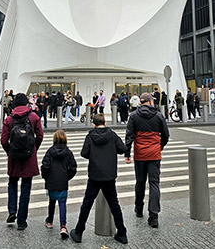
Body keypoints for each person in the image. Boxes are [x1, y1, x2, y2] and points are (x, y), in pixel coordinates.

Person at [70, 114, 128, 244]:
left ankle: (78, 231)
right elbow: (122, 148)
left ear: (94, 125)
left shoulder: (90, 136)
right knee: (114, 204)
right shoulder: (112, 135)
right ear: (105, 123)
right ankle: (122, 232)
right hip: (109, 175)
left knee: (87, 203)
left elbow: (84, 153)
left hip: (95, 174)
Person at [125, 93, 169, 228]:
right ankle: (153, 215)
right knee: (154, 183)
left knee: (140, 181)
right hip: (154, 154)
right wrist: (160, 146)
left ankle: (139, 208)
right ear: (150, 101)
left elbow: (129, 136)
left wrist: (127, 153)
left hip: (140, 154)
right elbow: (166, 135)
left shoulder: (134, 116)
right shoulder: (158, 115)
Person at [1, 93, 44, 230]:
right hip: (28, 156)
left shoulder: (9, 119)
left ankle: (12, 210)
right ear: (26, 103)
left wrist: (9, 151)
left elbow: (3, 140)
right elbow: (40, 136)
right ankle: (21, 220)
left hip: (14, 156)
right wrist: (34, 148)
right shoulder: (33, 117)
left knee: (12, 182)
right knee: (26, 187)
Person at [41, 130, 77, 239]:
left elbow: (45, 166)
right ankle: (63, 226)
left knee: (51, 201)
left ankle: (50, 221)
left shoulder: (50, 151)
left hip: (51, 181)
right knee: (62, 203)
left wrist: (46, 177)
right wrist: (67, 177)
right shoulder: (68, 152)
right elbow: (73, 167)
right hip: (62, 182)